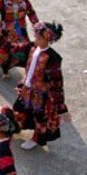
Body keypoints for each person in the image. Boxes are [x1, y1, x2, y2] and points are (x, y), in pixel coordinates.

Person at [13, 21, 71, 150]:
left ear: (48, 39)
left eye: (39, 38)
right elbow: (24, 62)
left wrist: (61, 108)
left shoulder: (53, 58)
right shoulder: (33, 48)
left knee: (39, 118)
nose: (36, 40)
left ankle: (36, 140)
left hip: (40, 95)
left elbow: (57, 83)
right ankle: (18, 129)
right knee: (20, 110)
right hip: (27, 90)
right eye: (36, 37)